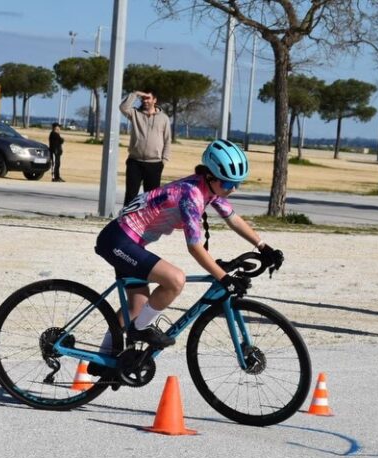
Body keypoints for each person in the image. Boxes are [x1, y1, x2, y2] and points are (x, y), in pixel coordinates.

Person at [93, 138, 281, 353]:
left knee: (137, 306)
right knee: (175, 280)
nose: (233, 189)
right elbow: (194, 247)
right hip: (118, 241)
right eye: (228, 184)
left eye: (238, 183)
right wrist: (224, 278)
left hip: (127, 242)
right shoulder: (191, 195)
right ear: (210, 175)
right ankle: (140, 330)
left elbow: (233, 219)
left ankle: (104, 360)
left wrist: (263, 246)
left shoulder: (210, 189)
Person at [119, 89, 171, 206]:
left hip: (154, 163)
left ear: (154, 100)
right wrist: (136, 94)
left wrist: (164, 160)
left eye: (148, 98)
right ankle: (127, 217)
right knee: (131, 195)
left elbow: (167, 140)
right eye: (143, 98)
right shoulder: (135, 114)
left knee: (151, 198)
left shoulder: (164, 118)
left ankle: (150, 218)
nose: (145, 101)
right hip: (135, 162)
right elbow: (123, 107)